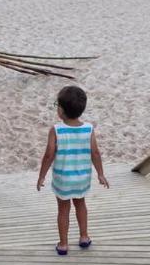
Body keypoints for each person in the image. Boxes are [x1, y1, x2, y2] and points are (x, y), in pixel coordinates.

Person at [37, 85, 109, 255]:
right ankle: (84, 237)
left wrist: (41, 176)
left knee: (63, 210)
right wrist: (100, 173)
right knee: (81, 204)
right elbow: (95, 152)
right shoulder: (88, 129)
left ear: (61, 110)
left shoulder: (56, 130)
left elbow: (48, 155)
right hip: (82, 178)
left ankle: (63, 244)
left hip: (63, 179)